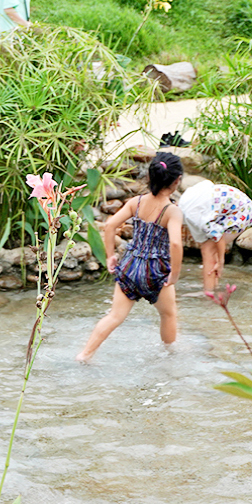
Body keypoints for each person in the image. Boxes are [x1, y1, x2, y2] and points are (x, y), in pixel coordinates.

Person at [77, 153, 185, 364]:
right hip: (156, 271)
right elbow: (175, 244)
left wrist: (110, 256)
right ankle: (170, 357)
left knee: (115, 317)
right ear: (177, 180)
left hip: (130, 266)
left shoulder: (136, 202)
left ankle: (85, 355)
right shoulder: (172, 211)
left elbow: (109, 226)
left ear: (150, 177)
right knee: (168, 315)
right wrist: (175, 274)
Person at [179, 179, 252, 294]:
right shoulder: (184, 202)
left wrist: (221, 262)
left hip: (243, 211)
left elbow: (218, 237)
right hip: (229, 203)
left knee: (208, 249)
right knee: (209, 247)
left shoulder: (193, 216)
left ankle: (209, 294)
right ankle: (213, 287)